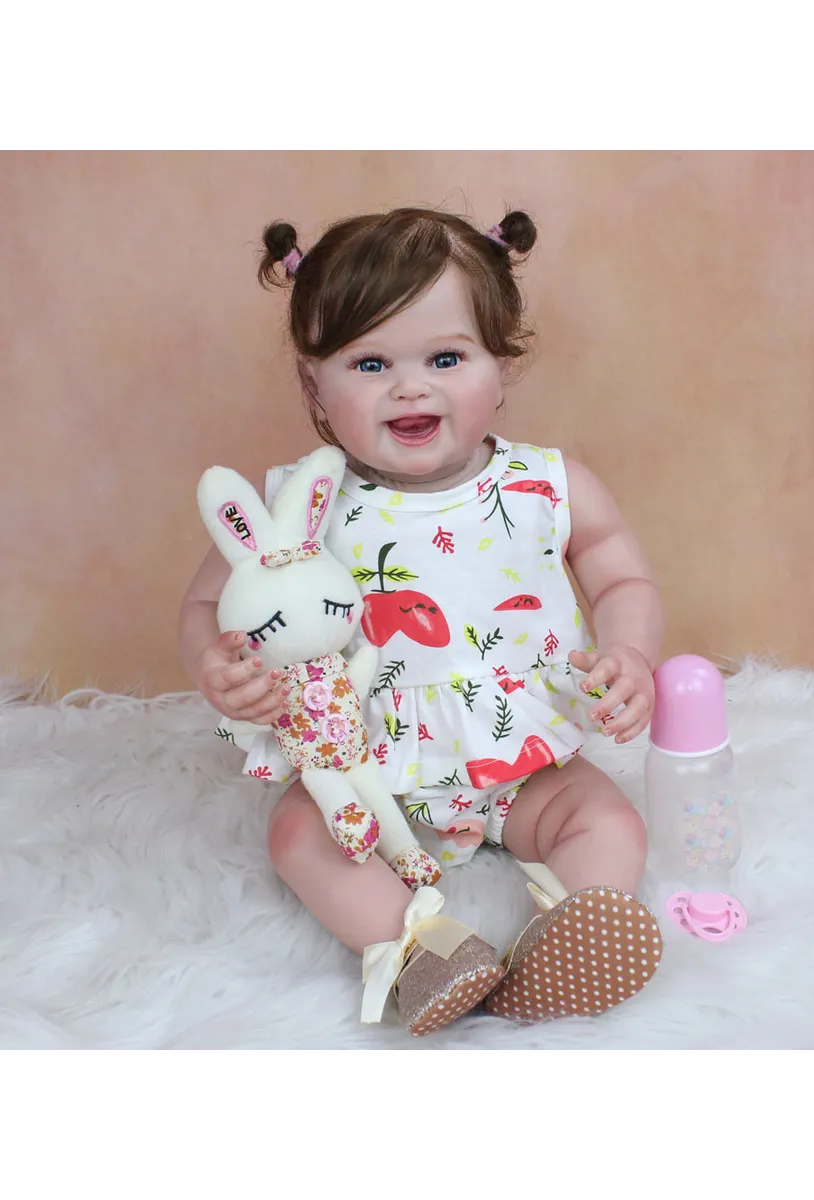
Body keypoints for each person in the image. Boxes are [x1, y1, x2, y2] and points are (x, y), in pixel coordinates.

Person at [178, 207, 666, 1036]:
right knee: (298, 836)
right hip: (362, 771)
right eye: (370, 363)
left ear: (502, 365)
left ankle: (575, 927)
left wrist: (629, 651)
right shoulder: (296, 509)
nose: (410, 388)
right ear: (313, 384)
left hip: (522, 762)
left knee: (607, 820)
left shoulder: (546, 485)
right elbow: (203, 606)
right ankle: (420, 950)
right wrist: (218, 667)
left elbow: (619, 572)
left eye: (446, 358)